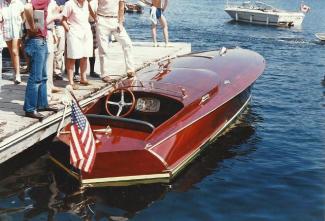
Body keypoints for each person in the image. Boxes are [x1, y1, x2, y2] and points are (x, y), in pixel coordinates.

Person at [23, 0, 58, 120]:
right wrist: (32, 26)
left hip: (41, 41)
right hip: (37, 41)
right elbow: (27, 8)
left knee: (43, 76)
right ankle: (30, 109)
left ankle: (42, 104)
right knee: (36, 77)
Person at [95, 0, 135, 83]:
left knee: (127, 43)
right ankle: (104, 74)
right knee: (103, 50)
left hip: (115, 21)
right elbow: (91, 3)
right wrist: (95, 17)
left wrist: (120, 22)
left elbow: (121, 6)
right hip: (102, 19)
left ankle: (130, 70)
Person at [61, 0, 93, 89]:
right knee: (72, 58)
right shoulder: (70, 4)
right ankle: (71, 81)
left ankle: (83, 78)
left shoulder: (86, 3)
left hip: (86, 33)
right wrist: (69, 31)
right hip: (74, 33)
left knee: (85, 56)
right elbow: (63, 20)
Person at [1, 0, 25, 84]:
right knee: (12, 53)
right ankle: (15, 72)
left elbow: (23, 16)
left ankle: (18, 75)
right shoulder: (1, 4)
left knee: (15, 51)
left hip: (17, 30)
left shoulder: (18, 3)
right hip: (6, 30)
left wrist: (22, 27)